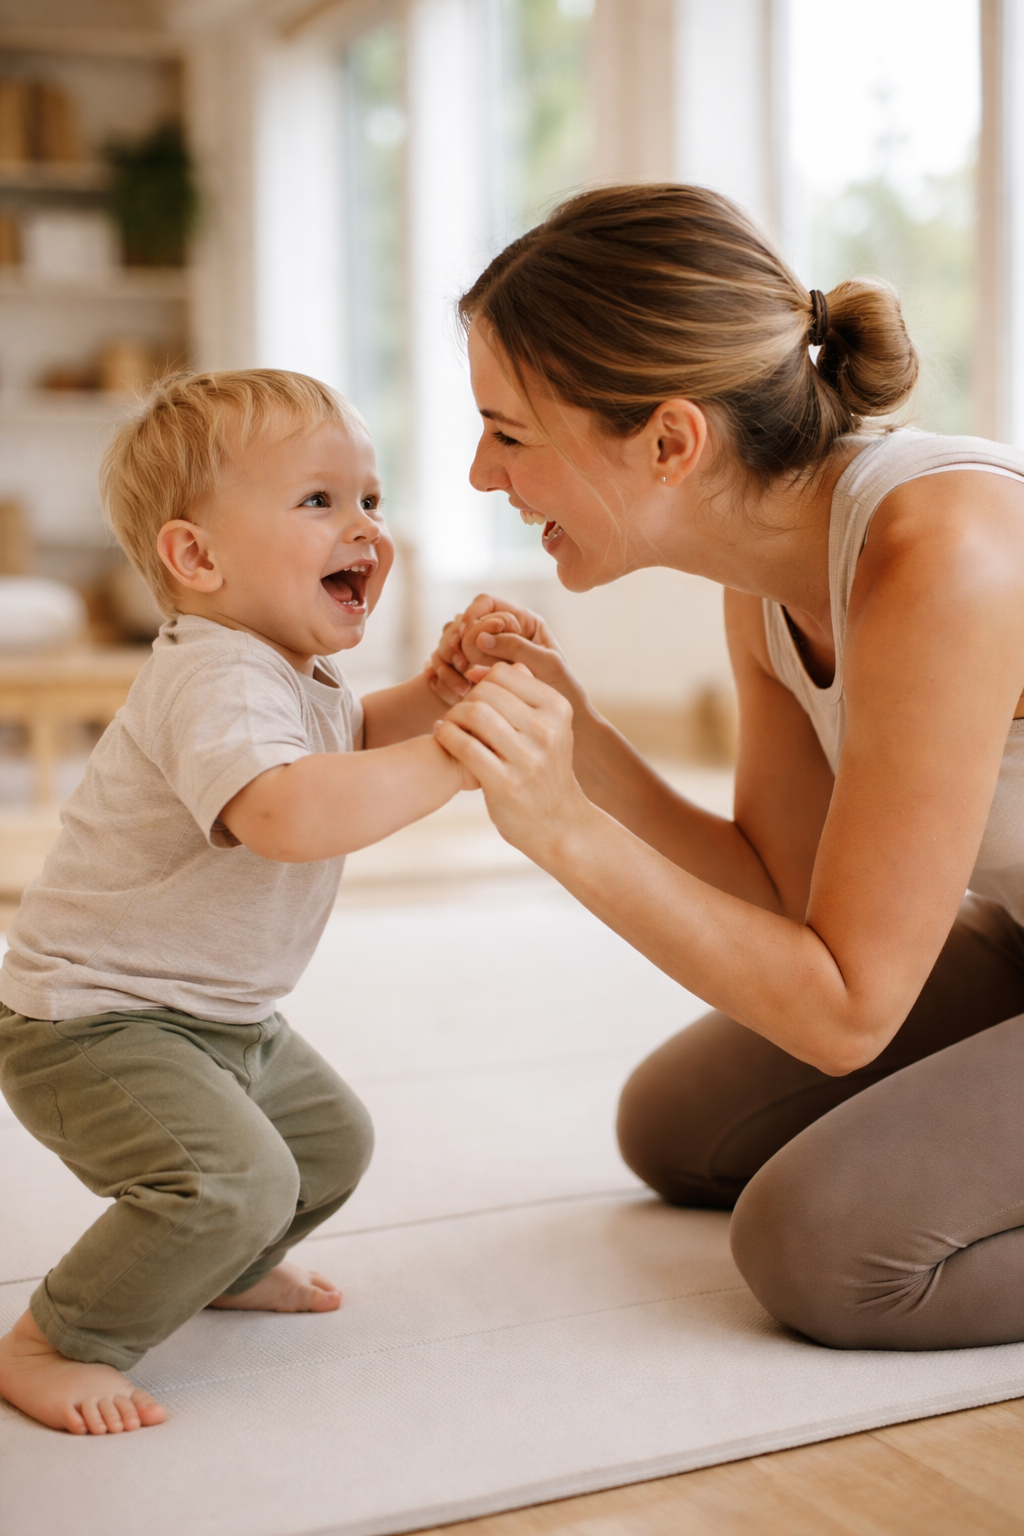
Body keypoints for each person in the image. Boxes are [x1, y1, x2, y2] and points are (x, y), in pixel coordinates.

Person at [427, 183, 1024, 1354]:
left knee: (823, 1249)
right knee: (677, 1129)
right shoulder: (768, 580)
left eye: (507, 433)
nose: (479, 478)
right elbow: (783, 898)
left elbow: (847, 1013)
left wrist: (565, 835)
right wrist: (581, 748)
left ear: (667, 440)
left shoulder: (942, 554)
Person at [0, 369, 476, 1435]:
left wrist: (436, 697)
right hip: (92, 1024)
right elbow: (286, 814)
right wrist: (456, 758)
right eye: (319, 502)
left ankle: (219, 1267)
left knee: (327, 1151)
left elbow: (345, 744)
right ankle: (55, 1341)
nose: (363, 528)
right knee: (233, 1182)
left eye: (370, 500)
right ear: (197, 557)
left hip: (220, 1016)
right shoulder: (215, 676)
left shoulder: (293, 674)